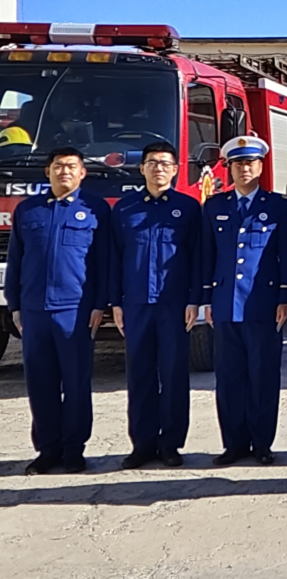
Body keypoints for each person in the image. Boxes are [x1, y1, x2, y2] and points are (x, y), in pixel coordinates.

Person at [5, 147, 110, 475]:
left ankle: (74, 450)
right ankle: (47, 451)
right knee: (41, 384)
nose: (65, 171)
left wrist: (100, 304)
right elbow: (16, 261)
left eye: (71, 167)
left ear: (82, 173)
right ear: (47, 172)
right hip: (34, 310)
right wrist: (14, 305)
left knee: (76, 382)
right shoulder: (28, 210)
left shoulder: (95, 209)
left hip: (75, 311)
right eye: (58, 166)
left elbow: (103, 263)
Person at [201, 136, 287, 465]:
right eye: (238, 163)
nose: (244, 168)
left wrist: (285, 296)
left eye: (250, 162)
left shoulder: (279, 206)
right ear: (229, 168)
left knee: (263, 376)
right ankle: (234, 444)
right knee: (229, 379)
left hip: (263, 304)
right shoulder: (215, 206)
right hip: (226, 304)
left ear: (260, 166)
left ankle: (262, 443)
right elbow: (206, 256)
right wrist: (206, 299)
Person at [109, 141, 203, 468]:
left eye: (164, 163)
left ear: (175, 169)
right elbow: (114, 258)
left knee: (174, 375)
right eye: (152, 162)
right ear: (141, 168)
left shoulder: (188, 208)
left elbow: (197, 257)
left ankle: (171, 444)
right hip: (136, 303)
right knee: (140, 375)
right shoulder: (125, 209)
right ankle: (143, 444)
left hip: (174, 303)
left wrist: (195, 299)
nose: (158, 168)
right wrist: (115, 302)